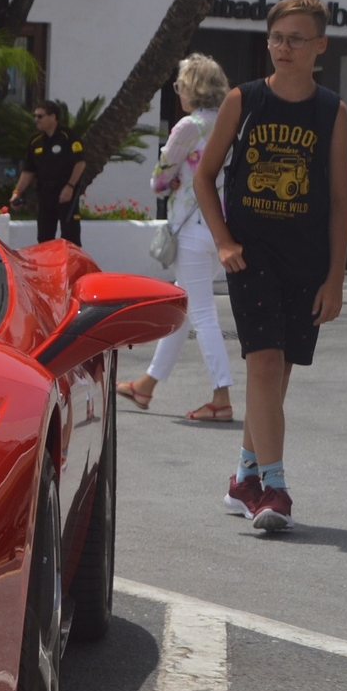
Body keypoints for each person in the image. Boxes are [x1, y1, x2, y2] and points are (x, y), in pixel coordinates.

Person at [191, 0, 347, 532]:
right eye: (278, 38)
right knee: (262, 363)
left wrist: (335, 277)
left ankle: (243, 477)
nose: (285, 48)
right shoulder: (244, 100)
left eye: (297, 39)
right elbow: (203, 176)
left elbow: (337, 201)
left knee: (277, 375)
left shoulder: (331, 110)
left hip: (306, 261)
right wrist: (223, 242)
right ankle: (275, 489)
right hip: (251, 257)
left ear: (319, 46)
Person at [120, 55, 235, 421]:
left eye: (180, 84)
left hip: (192, 228)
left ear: (192, 87)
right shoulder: (233, 121)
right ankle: (146, 386)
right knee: (185, 308)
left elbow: (159, 179)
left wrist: (170, 179)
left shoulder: (190, 126)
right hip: (221, 228)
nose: (178, 91)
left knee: (200, 312)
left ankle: (222, 397)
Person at [10, 100, 90, 244]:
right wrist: (17, 193)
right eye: (35, 116)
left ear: (53, 117)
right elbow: (28, 171)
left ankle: (71, 266)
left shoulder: (68, 137)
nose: (36, 120)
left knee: (70, 236)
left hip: (65, 193)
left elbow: (80, 163)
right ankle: (46, 266)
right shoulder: (35, 142)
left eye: (40, 116)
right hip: (45, 193)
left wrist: (70, 186)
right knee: (44, 237)